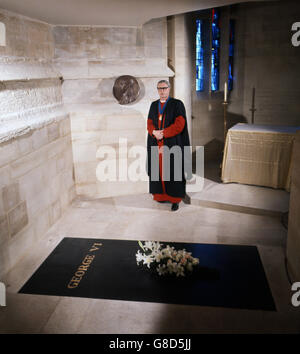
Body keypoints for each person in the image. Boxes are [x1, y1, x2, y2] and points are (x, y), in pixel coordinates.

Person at [147, 80, 191, 211]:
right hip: (156, 143)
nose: (162, 91)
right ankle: (160, 196)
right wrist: (154, 132)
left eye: (164, 88)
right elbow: (149, 122)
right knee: (158, 171)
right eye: (159, 88)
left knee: (173, 171)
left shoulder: (177, 104)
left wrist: (164, 133)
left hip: (172, 145)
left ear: (169, 89)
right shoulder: (153, 105)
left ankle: (175, 200)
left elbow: (180, 124)